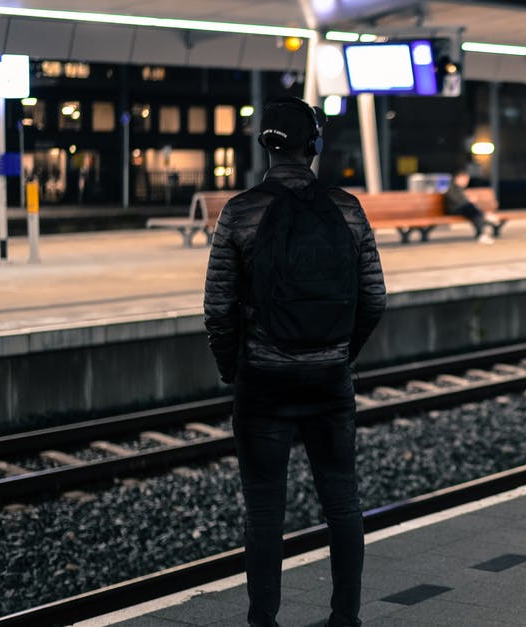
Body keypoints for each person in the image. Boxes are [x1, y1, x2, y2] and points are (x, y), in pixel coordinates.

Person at [204, 96, 386, 627]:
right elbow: (374, 301)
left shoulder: (240, 210)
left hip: (262, 383)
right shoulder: (347, 208)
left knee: (264, 513)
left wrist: (233, 369)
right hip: (329, 381)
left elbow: (218, 309)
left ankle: (263, 620)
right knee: (343, 506)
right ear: (315, 146)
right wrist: (340, 355)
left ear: (266, 145)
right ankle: (344, 618)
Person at [444, 169, 499, 244]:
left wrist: (469, 201)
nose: (466, 181)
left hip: (463, 209)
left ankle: (481, 233)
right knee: (474, 211)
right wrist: (469, 201)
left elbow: (461, 201)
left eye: (467, 180)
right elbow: (456, 201)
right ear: (457, 178)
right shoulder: (452, 188)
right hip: (455, 210)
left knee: (476, 215)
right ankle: (485, 219)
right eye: (464, 179)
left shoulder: (459, 188)